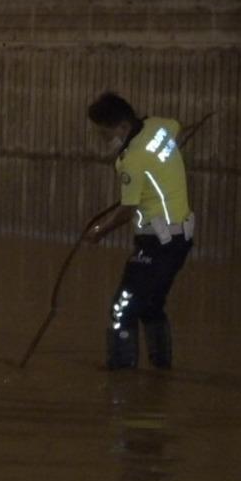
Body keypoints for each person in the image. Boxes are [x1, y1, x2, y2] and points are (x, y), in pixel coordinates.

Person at [85, 92, 194, 370]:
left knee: (121, 309)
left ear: (122, 126)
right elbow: (177, 127)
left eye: (104, 132)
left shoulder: (131, 160)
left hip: (156, 243)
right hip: (181, 239)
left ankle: (121, 377)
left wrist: (100, 230)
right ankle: (161, 371)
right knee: (151, 306)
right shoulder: (160, 126)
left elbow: (127, 210)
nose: (102, 138)